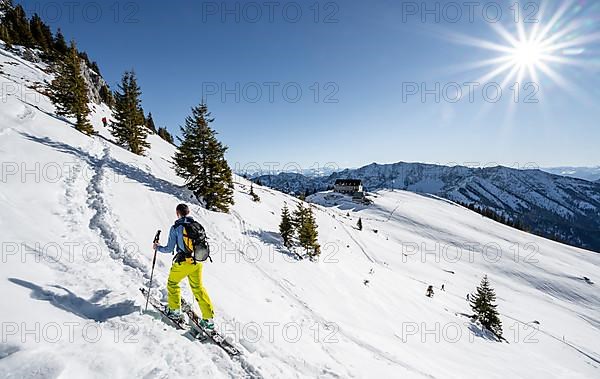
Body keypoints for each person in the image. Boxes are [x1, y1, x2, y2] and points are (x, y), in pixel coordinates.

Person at [153, 203, 215, 329]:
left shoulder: (176, 227)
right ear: (188, 212)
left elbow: (169, 248)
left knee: (172, 283)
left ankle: (175, 311)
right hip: (197, 262)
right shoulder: (197, 225)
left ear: (177, 213)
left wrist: (157, 247)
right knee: (198, 288)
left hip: (183, 262)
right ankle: (208, 319)